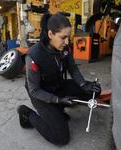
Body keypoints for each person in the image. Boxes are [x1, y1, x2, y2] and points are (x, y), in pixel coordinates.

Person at [17, 12, 101, 146]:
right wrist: (58, 100)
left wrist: (83, 84)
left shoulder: (64, 48)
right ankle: (26, 113)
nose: (67, 42)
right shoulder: (34, 56)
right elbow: (34, 91)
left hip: (57, 86)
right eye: (63, 37)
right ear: (50, 34)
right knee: (61, 138)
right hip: (41, 94)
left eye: (68, 37)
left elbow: (73, 69)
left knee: (94, 90)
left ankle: (58, 110)